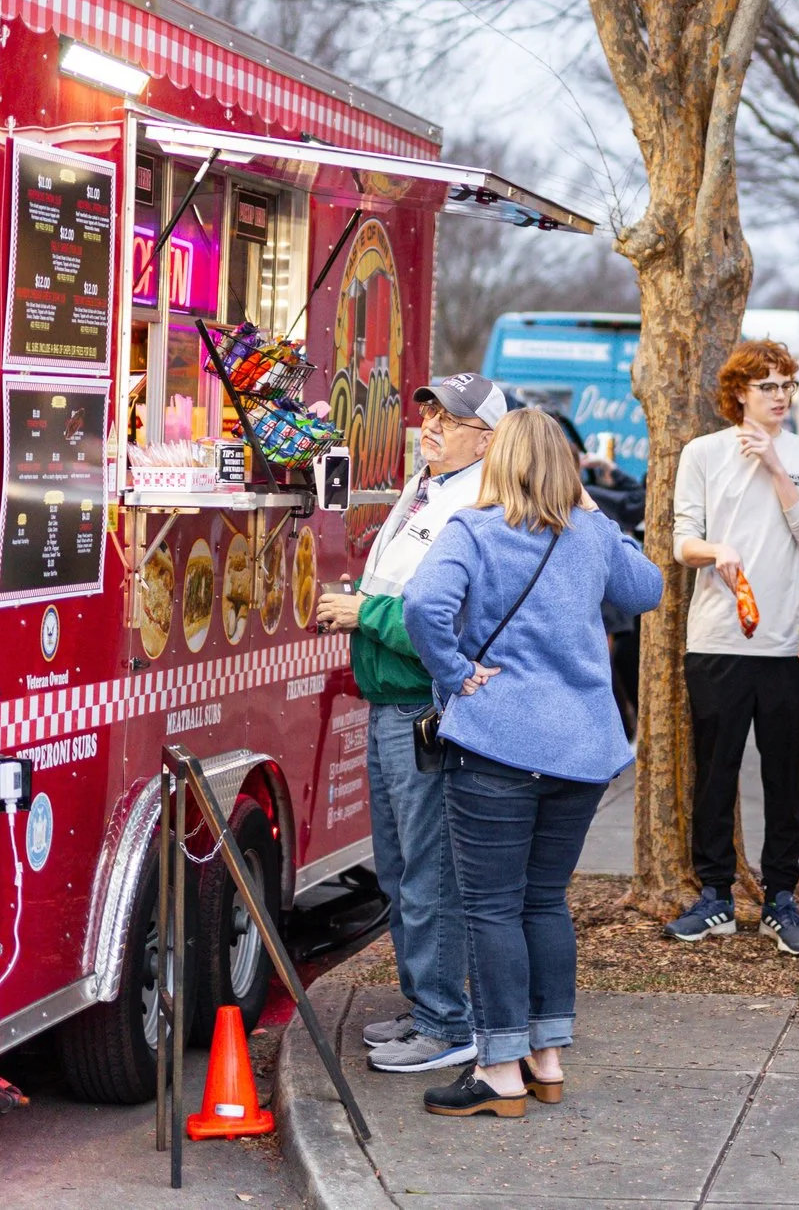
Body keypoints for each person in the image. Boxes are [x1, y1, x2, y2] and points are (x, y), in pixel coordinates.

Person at [403, 408, 666, 1117]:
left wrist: (456, 673)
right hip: (582, 749)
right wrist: (594, 514)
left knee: (490, 905)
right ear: (567, 467)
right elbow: (649, 589)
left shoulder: (475, 530)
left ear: (498, 460)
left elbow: (423, 604)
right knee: (543, 900)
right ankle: (546, 1058)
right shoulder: (589, 537)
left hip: (497, 744)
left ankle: (499, 1069)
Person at [316, 371, 503, 1075]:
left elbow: (452, 623)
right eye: (429, 412)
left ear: (485, 437)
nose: (430, 425)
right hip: (396, 701)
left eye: (449, 419)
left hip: (424, 706)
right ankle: (429, 1006)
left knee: (426, 872)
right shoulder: (430, 486)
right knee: (400, 870)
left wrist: (363, 613)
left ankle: (446, 1022)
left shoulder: (477, 503)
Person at [666, 340, 799, 954]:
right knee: (714, 771)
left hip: (788, 643)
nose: (780, 396)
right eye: (767, 386)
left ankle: (780, 898)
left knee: (786, 776)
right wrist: (718, 551)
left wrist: (773, 469)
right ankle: (714, 895)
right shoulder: (703, 454)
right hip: (717, 638)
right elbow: (683, 542)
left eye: (787, 385)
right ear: (739, 393)